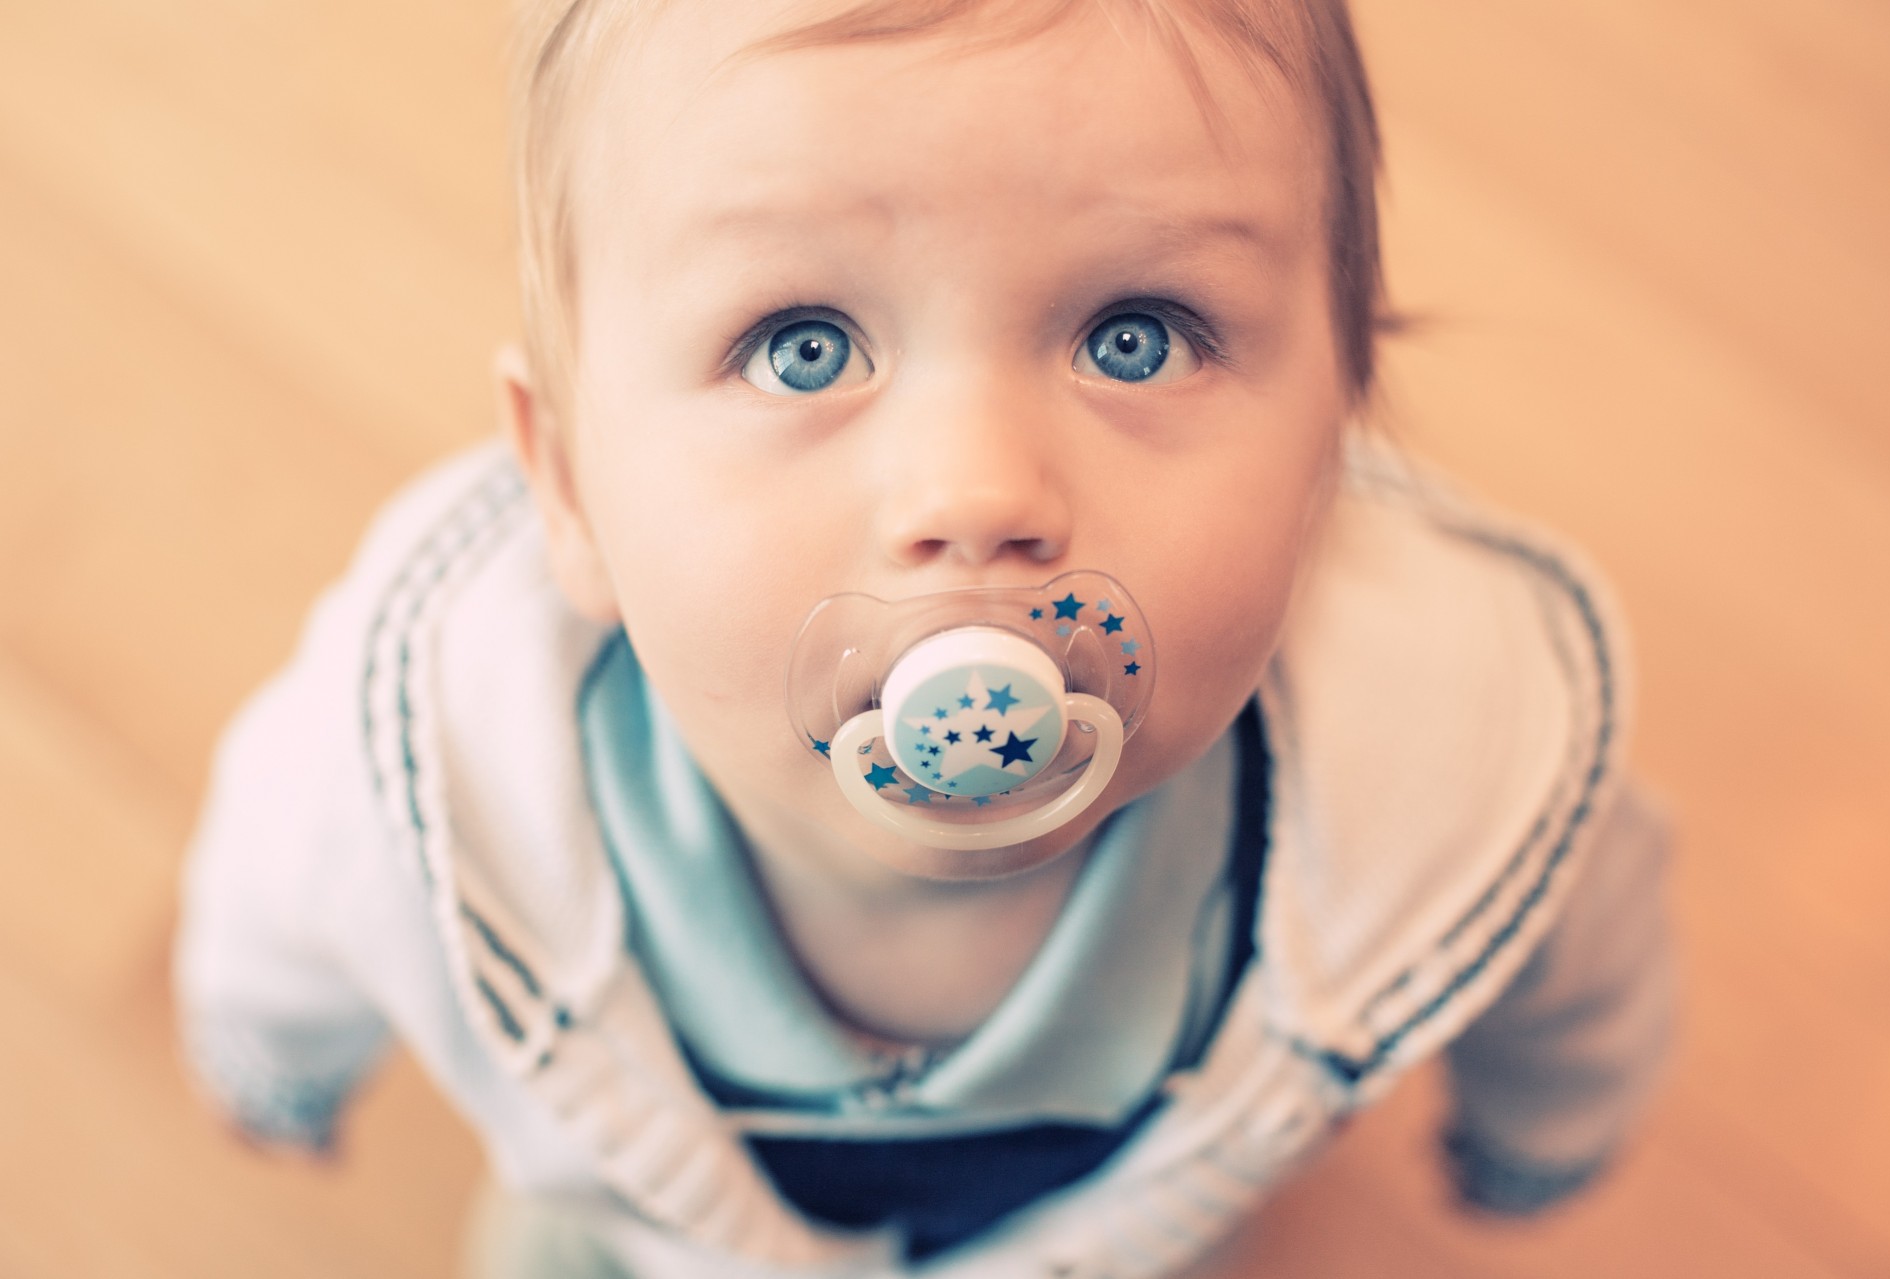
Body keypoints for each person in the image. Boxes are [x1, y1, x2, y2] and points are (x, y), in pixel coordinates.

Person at [174, 1, 1676, 1275]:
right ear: (565, 482)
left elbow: (1569, 928)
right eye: (802, 345)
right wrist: (274, 1055)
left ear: (1331, 439)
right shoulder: (431, 777)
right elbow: (288, 883)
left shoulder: (1453, 760)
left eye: (1135, 333)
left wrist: (1544, 1120)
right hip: (625, 1216)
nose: (978, 496)